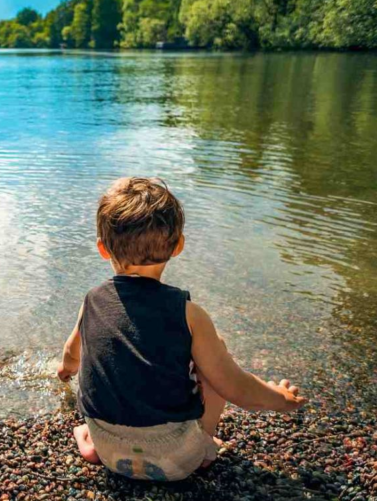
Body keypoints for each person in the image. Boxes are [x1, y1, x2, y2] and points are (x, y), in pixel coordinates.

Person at [57, 177, 307, 481]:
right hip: (177, 460)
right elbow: (235, 387)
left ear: (102, 249)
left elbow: (72, 354)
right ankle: (205, 445)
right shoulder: (189, 314)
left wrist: (65, 372)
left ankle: (91, 441)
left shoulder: (92, 301)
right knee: (215, 351)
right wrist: (281, 399)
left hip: (109, 451)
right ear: (178, 246)